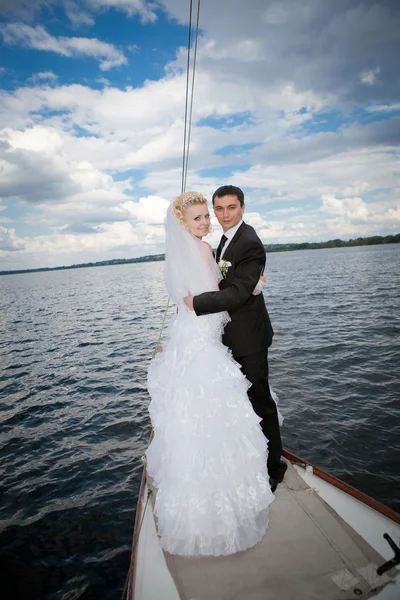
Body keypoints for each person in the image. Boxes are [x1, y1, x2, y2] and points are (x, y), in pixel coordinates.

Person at [146, 191, 274, 557]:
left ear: (242, 208)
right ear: (185, 223)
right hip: (206, 334)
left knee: (198, 409)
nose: (209, 221)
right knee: (221, 405)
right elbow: (222, 292)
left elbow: (223, 290)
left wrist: (250, 285)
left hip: (198, 333)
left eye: (212, 214)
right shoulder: (205, 248)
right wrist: (251, 286)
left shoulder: (206, 247)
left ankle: (203, 491)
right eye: (202, 216)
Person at [184, 185, 286, 492]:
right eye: (219, 208)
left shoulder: (249, 242)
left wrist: (196, 303)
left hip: (250, 338)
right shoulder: (226, 241)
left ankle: (274, 466)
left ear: (242, 208)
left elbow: (239, 293)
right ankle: (252, 455)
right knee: (241, 401)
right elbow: (229, 280)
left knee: (260, 400)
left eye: (231, 207)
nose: (224, 214)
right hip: (231, 335)